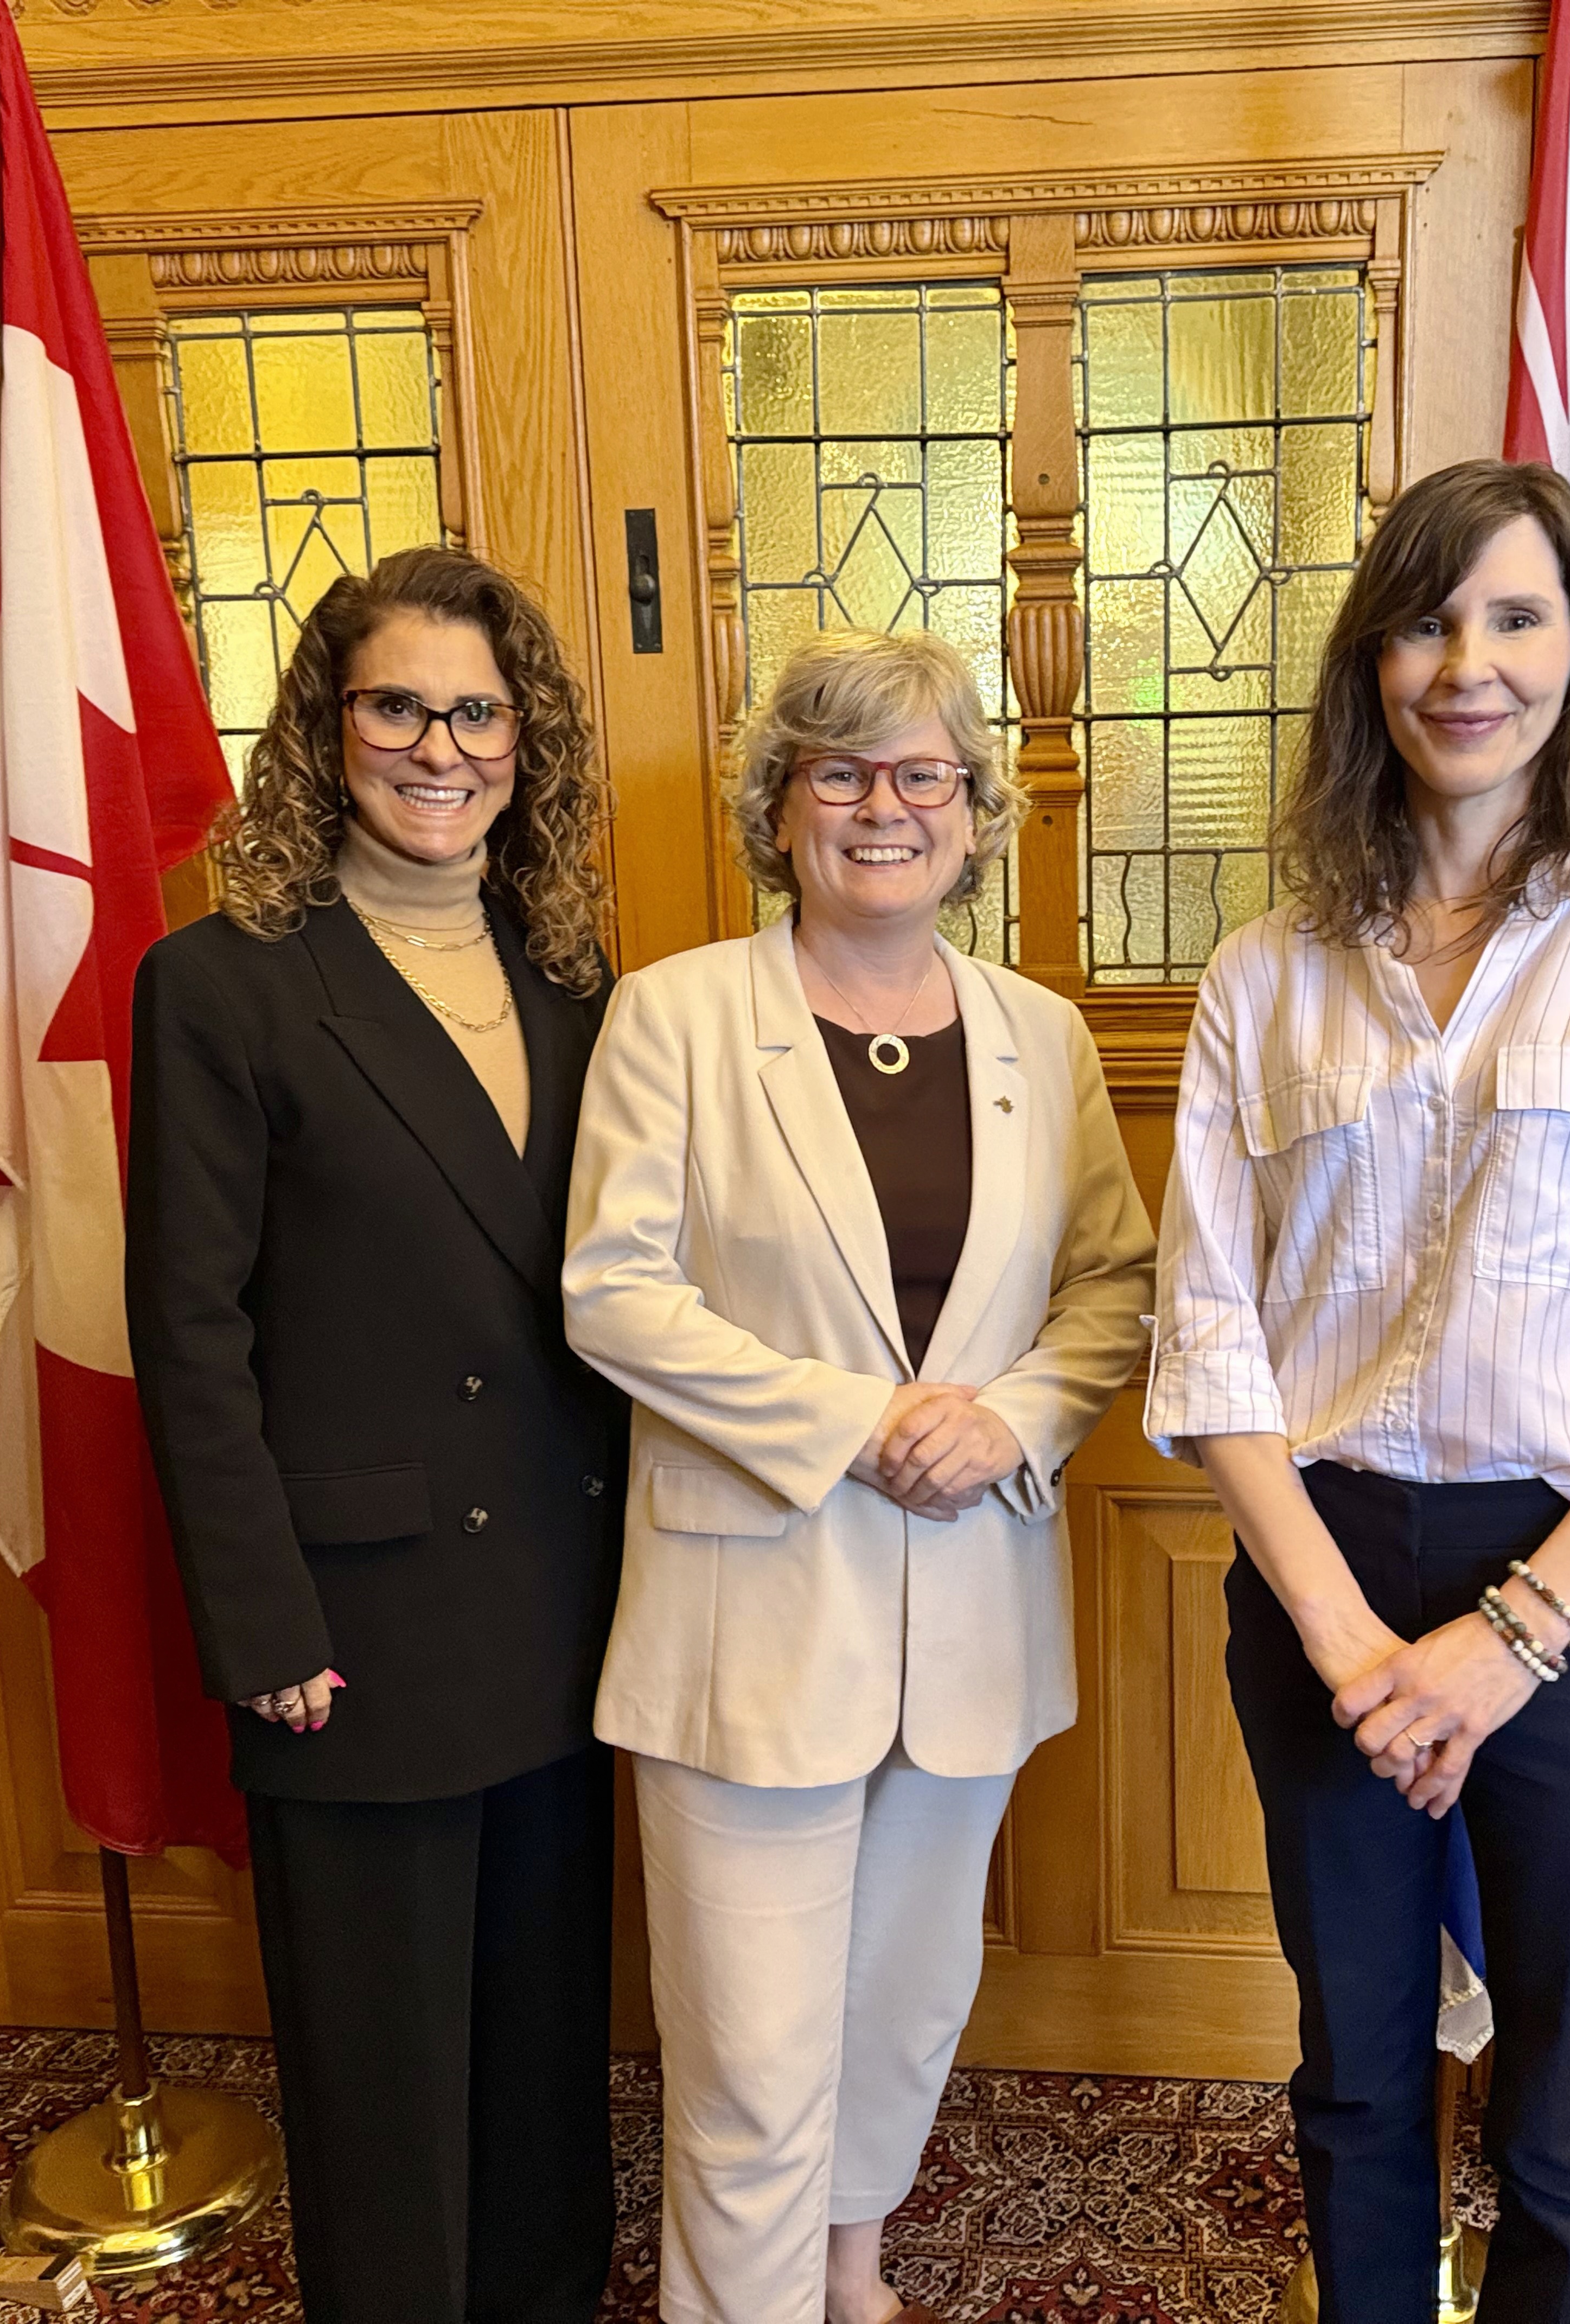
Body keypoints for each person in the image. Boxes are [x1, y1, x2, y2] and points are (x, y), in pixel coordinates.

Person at [1146, 461, 1570, 2324]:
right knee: (1357, 2077)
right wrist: (1356, 1644)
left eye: (1516, 618)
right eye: (1427, 623)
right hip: (1325, 1576)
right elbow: (1210, 1337)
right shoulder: (1266, 974)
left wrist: (1512, 1637)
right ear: (1371, 662)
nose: (1468, 666)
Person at [561, 629, 1154, 2324]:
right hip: (750, 1618)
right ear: (780, 806)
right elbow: (613, 1290)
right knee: (749, 2057)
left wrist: (1017, 1415)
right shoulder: (676, 1015)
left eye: (923, 774)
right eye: (840, 770)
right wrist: (855, 1422)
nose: (884, 805)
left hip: (967, 1614)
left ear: (973, 814)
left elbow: (1114, 1283)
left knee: (900, 2008)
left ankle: (850, 2274)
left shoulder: (1042, 1034)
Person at [126, 545, 624, 2324]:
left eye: (477, 712)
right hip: (353, 1623)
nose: (439, 747)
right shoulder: (224, 984)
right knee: (384, 2080)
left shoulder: (578, 979)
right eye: (397, 705)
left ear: (523, 741)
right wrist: (262, 1625)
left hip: (565, 1593)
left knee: (546, 2045)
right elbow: (189, 1334)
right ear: (328, 732)